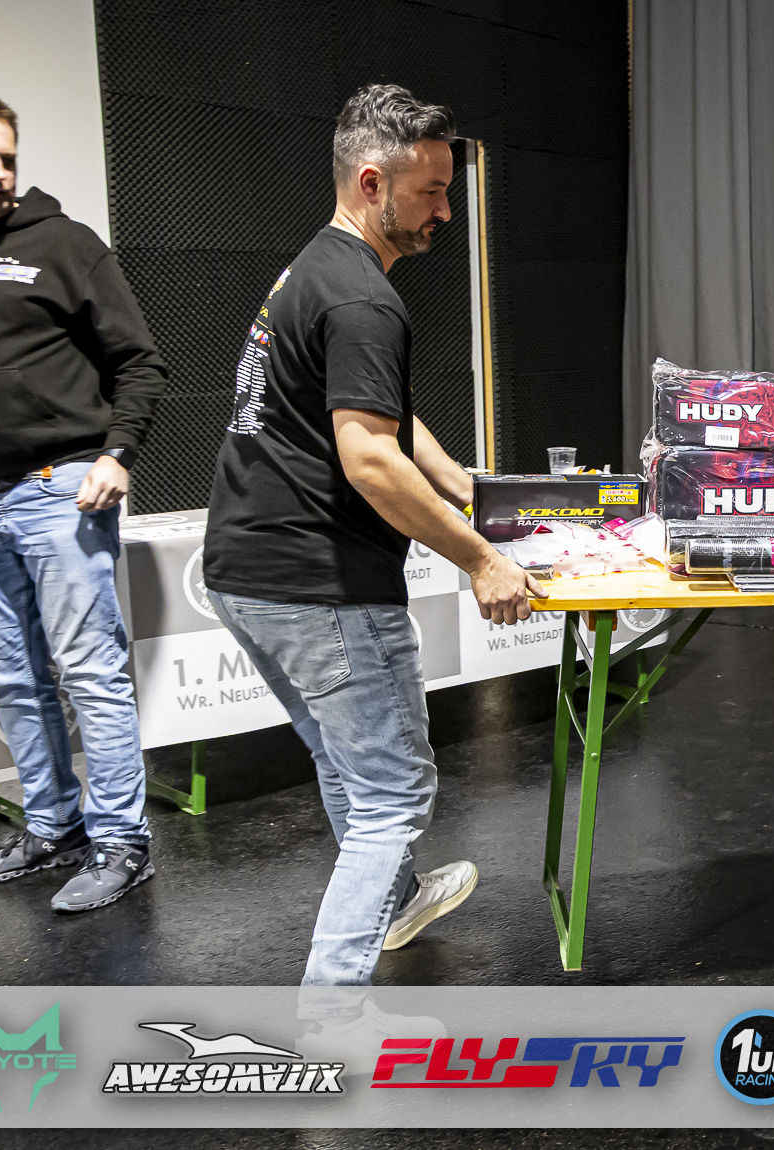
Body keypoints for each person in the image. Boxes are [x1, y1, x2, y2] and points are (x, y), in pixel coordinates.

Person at [201, 84, 539, 1037]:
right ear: (371, 182)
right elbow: (368, 460)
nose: (445, 212)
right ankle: (330, 1016)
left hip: (245, 573)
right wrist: (480, 558)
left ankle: (390, 904)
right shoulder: (362, 297)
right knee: (392, 795)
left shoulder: (314, 269)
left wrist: (462, 484)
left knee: (345, 762)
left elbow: (377, 415)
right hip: (318, 583)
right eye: (431, 192)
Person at [0, 93, 168, 911]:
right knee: (11, 681)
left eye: (8, 158)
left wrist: (117, 453)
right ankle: (54, 827)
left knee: (91, 674)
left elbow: (140, 362)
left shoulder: (64, 244)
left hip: (60, 488)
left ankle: (122, 842)